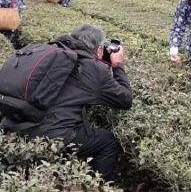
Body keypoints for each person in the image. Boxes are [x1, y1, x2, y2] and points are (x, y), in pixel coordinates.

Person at [2, 24, 133, 181]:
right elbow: (125, 100)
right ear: (98, 49)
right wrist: (117, 65)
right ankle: (99, 185)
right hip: (47, 136)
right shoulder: (93, 68)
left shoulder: (52, 52)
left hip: (12, 123)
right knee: (108, 142)